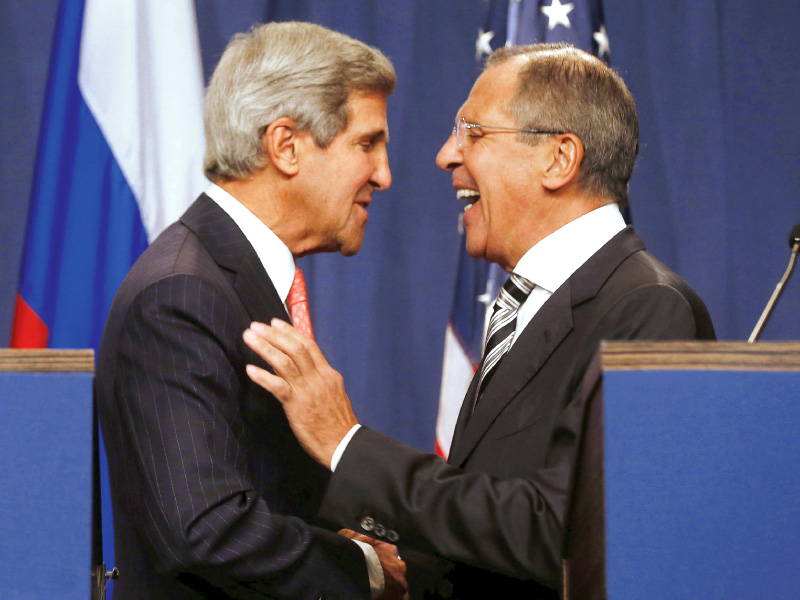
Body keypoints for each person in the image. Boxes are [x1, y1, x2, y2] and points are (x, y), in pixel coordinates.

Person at [242, 42, 716, 599]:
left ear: (559, 159)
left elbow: (561, 535)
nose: (446, 154)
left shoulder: (648, 310)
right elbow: (496, 520)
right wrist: (398, 568)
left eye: (473, 133)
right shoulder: (530, 303)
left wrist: (348, 444)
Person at [95, 21, 408, 600]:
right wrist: (361, 568)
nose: (384, 175)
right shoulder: (180, 296)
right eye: (367, 143)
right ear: (285, 145)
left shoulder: (234, 279)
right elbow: (203, 527)